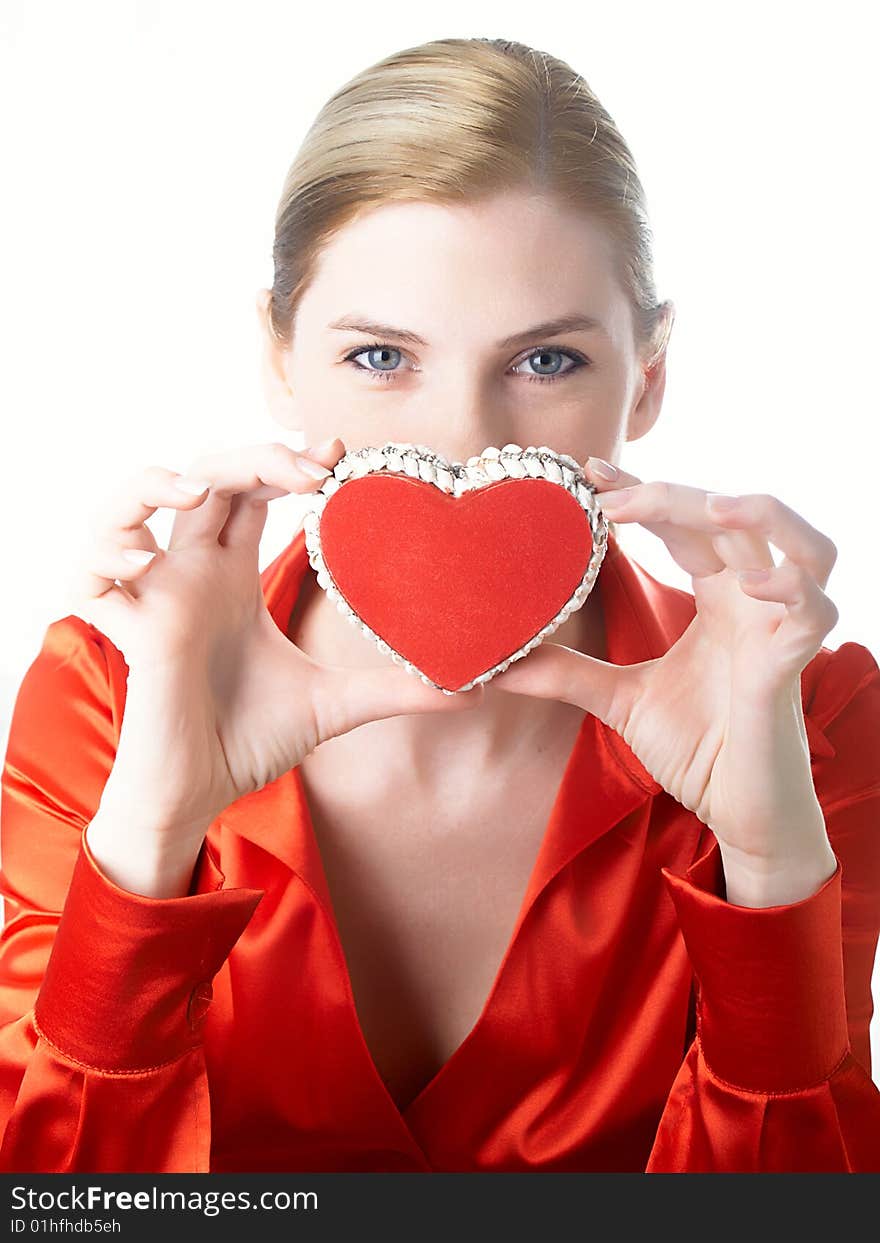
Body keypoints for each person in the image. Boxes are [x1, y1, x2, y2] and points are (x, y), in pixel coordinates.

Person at [1, 35, 878, 1175]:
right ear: (278, 361)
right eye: (379, 355)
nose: (465, 441)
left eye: (548, 362)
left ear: (648, 378)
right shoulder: (110, 699)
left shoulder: (807, 719)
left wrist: (765, 872)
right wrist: (154, 834)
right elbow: (52, 1196)